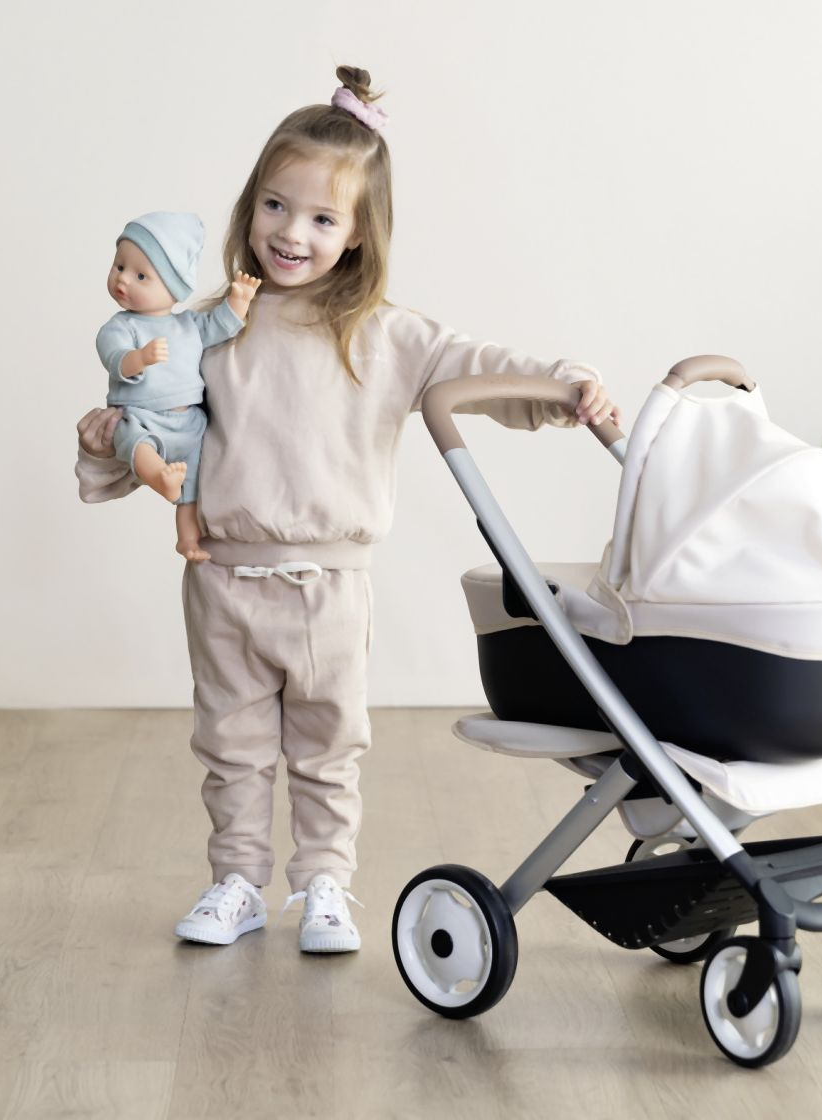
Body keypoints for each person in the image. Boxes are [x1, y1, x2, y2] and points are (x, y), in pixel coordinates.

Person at [75, 66, 620, 952]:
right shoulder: (209, 330)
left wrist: (566, 386)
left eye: (323, 219)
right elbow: (156, 429)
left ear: (360, 232)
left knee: (329, 747)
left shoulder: (386, 333)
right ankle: (237, 882)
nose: (292, 233)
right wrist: (106, 439)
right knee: (231, 745)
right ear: (251, 206)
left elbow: (478, 368)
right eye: (275, 206)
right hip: (224, 580)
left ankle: (324, 883)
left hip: (330, 585)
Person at [96, 210, 261, 561]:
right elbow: (113, 356)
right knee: (134, 441)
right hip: (143, 416)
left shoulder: (189, 325)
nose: (122, 279)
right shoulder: (121, 326)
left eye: (141, 275)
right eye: (119, 266)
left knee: (192, 487)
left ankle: (187, 539)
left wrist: (239, 302)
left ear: (174, 288)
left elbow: (219, 327)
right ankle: (158, 477)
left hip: (189, 422)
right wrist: (138, 358)